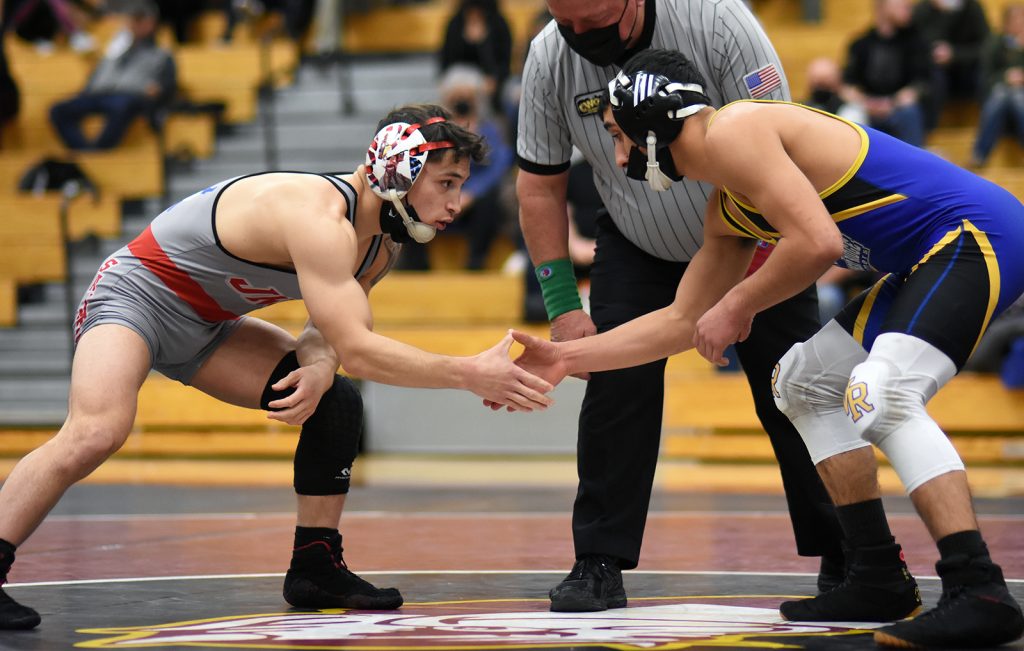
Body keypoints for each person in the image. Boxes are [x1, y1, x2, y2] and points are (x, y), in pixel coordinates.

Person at [511, 47, 1024, 647]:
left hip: (977, 235)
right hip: (926, 257)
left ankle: (979, 587)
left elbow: (816, 242)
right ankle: (877, 572)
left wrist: (738, 303)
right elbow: (682, 319)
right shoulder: (729, 202)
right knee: (802, 381)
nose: (619, 156)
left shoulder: (738, 128)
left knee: (881, 393)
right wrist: (568, 358)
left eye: (619, 136)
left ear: (652, 121)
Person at [0, 103, 554, 631]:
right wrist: (466, 372)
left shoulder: (380, 245)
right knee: (98, 430)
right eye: (446, 183)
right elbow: (358, 347)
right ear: (396, 168)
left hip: (208, 326)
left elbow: (329, 330)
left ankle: (314, 568)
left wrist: (317, 363)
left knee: (335, 401)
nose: (458, 203)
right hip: (137, 297)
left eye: (458, 185)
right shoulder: (317, 215)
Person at [516, 0, 844, 613]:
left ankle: (847, 551)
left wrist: (747, 289)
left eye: (596, 23)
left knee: (796, 389)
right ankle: (599, 559)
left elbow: (782, 145)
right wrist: (562, 305)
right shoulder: (548, 56)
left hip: (751, 233)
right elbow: (539, 186)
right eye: (569, 26)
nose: (582, 39)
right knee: (617, 390)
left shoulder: (721, 23)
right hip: (638, 240)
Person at [398, 65, 514, 271]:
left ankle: (475, 265)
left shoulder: (492, 127)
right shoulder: (432, 129)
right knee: (409, 201)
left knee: (491, 203)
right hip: (438, 194)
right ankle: (416, 269)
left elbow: (499, 166)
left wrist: (470, 193)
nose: (461, 102)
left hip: (475, 201)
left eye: (467, 96)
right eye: (456, 96)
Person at [48, 0, 175, 151]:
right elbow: (94, 78)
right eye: (132, 19)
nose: (134, 24)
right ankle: (84, 151)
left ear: (151, 23)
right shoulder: (115, 48)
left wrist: (156, 91)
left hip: (129, 97)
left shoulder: (161, 54)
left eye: (139, 19)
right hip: (100, 94)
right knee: (59, 110)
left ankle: (99, 150)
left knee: (121, 106)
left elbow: (165, 87)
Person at [841, 0, 930, 147]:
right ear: (882, 6)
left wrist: (894, 102)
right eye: (900, 3)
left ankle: (913, 162)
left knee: (910, 112)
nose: (908, 6)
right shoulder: (860, 44)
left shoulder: (916, 43)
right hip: (867, 107)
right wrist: (867, 103)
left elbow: (922, 82)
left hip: (898, 108)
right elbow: (847, 85)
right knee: (850, 114)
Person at [911, 0, 989, 130]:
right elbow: (918, 46)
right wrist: (941, 14)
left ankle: (986, 128)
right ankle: (929, 133)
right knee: (930, 77)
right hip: (937, 71)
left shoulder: (972, 8)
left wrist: (955, 55)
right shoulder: (924, 9)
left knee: (984, 76)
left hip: (966, 72)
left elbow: (985, 48)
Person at [970, 3, 1024, 168]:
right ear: (1006, 23)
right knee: (1002, 94)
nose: (1020, 23)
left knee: (1017, 97)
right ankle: (979, 156)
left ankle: (979, 154)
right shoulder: (994, 43)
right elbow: (985, 78)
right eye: (1017, 20)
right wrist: (1005, 77)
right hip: (997, 101)